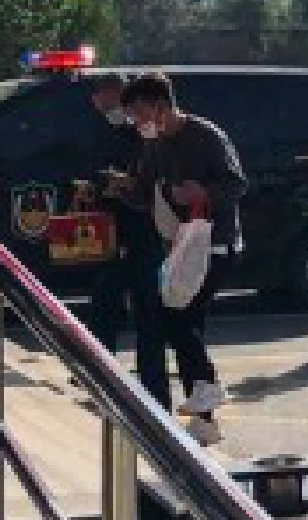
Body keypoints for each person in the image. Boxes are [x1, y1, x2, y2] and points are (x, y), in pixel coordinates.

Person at [125, 71, 247, 444]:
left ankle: (206, 395)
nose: (136, 123)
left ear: (162, 107)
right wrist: (124, 189)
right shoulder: (154, 145)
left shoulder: (205, 136)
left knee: (179, 319)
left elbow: (237, 184)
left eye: (140, 114)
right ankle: (204, 414)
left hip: (214, 243)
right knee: (181, 322)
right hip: (180, 247)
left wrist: (202, 193)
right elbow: (145, 191)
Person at [77, 73, 149, 360]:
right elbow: (96, 167)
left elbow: (149, 178)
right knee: (105, 295)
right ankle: (101, 358)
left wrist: (126, 183)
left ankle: (148, 375)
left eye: (114, 99)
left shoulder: (143, 132)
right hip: (109, 225)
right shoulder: (101, 129)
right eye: (103, 101)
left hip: (140, 226)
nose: (107, 106)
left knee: (145, 302)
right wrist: (92, 188)